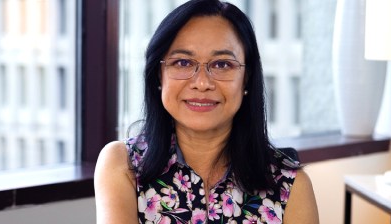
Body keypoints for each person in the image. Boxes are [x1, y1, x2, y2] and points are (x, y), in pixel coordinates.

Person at [94, 0, 319, 223]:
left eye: (222, 64)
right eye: (183, 62)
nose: (202, 83)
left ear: (247, 79)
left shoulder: (292, 186)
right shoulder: (122, 165)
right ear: (158, 76)